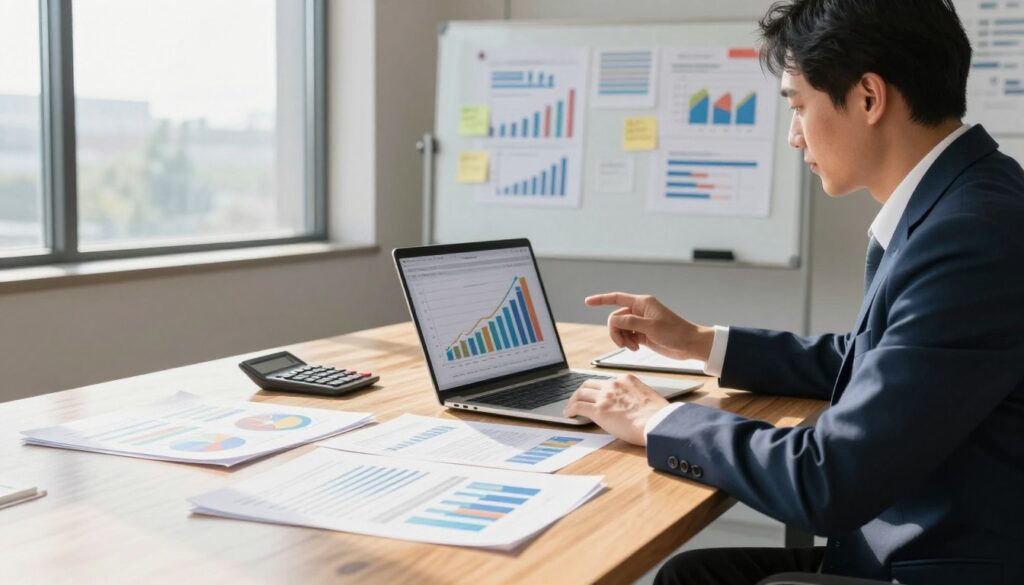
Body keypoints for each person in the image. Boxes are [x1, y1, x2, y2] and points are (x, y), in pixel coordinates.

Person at [565, 1, 1024, 583]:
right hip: (910, 538)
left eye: (799, 106)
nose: (793, 136)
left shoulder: (970, 236)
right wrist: (700, 342)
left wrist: (659, 420)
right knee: (692, 576)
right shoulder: (969, 197)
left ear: (868, 97)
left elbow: (830, 479)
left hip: (932, 565)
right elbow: (876, 360)